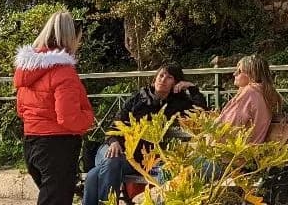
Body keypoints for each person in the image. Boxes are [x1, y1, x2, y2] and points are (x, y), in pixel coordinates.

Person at [83, 64, 207, 205]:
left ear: (176, 83)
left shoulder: (176, 104)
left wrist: (191, 87)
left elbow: (201, 112)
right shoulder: (138, 97)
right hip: (112, 148)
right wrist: (114, 142)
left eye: (169, 77)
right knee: (112, 161)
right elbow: (115, 124)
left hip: (137, 159)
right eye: (161, 75)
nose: (163, 79)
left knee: (93, 175)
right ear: (155, 78)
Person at [14, 11, 94, 205]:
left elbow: (21, 109)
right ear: (71, 38)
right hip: (58, 146)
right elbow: (68, 117)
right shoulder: (64, 72)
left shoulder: (28, 69)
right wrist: (88, 118)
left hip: (32, 142)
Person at [216, 55, 282, 144]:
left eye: (239, 71)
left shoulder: (249, 93)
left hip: (235, 149)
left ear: (252, 74)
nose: (234, 74)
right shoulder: (264, 93)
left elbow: (227, 126)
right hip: (254, 148)